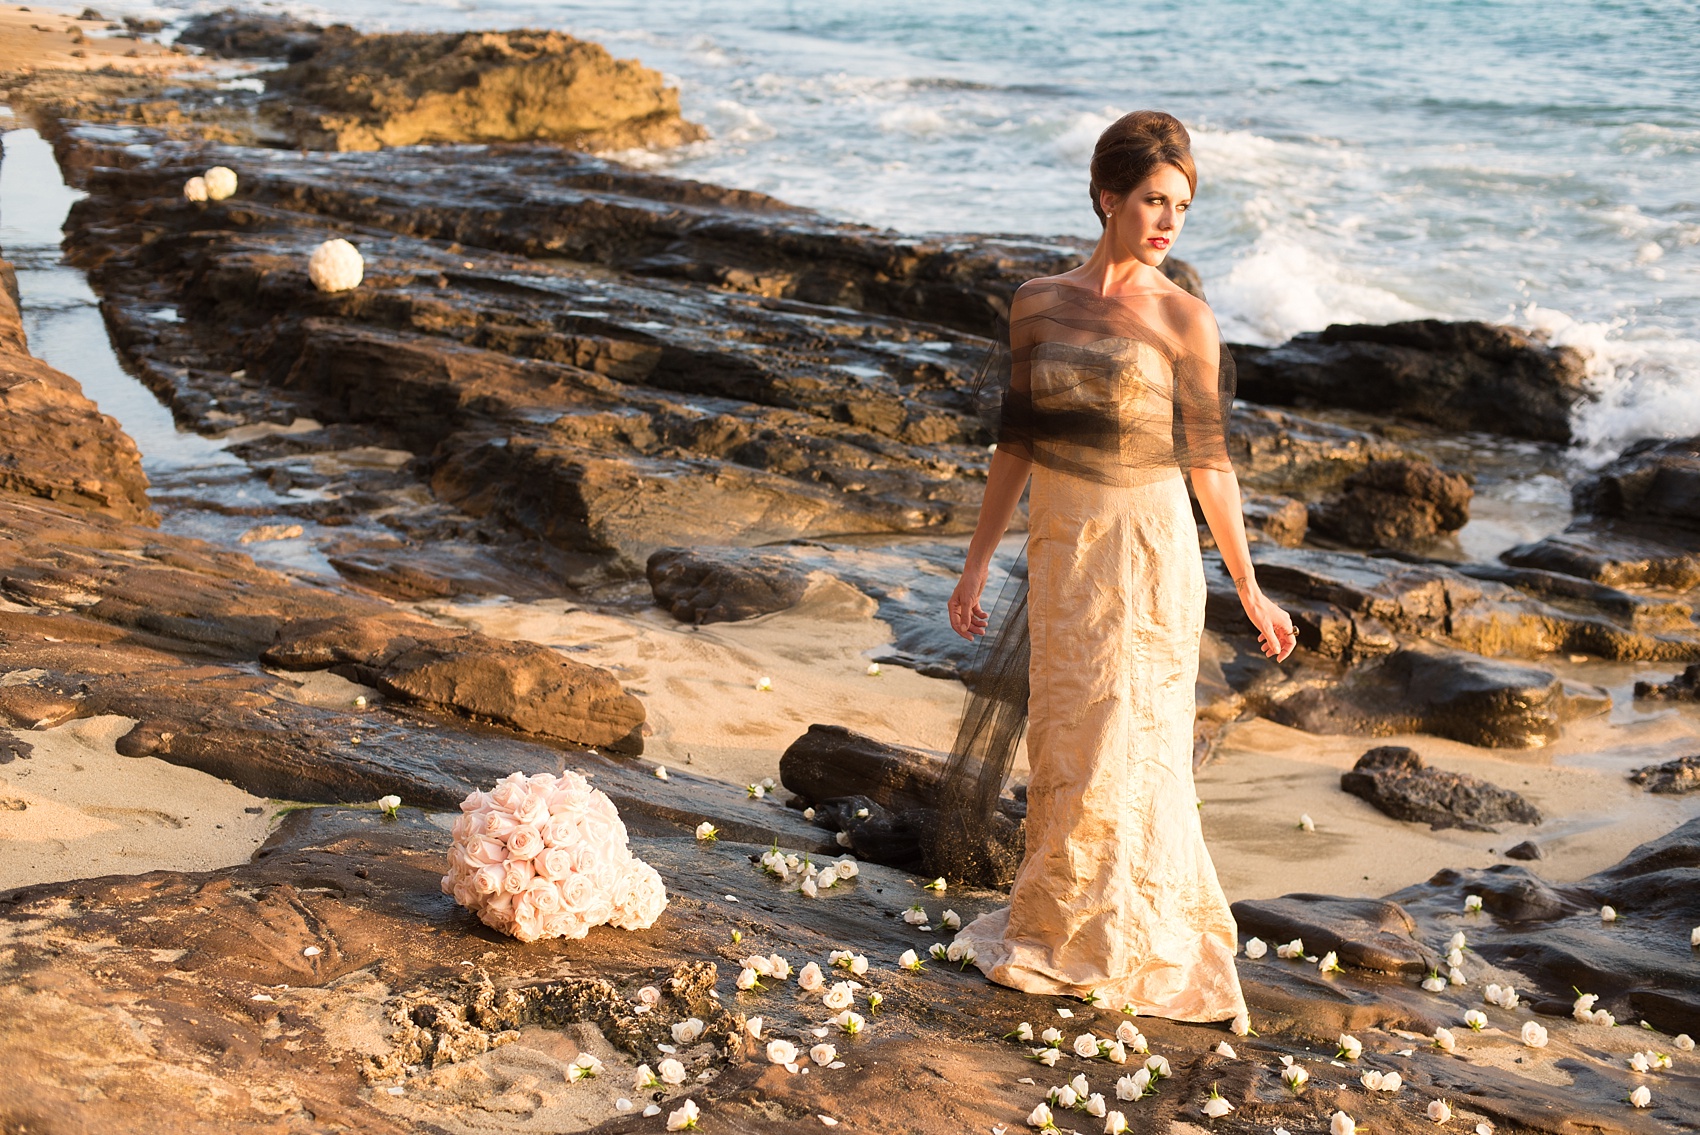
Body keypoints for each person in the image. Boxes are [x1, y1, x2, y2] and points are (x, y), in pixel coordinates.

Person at [937, 110, 1297, 1024]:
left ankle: (1131, 933)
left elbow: (1210, 461)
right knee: (1066, 740)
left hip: (1148, 552)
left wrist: (1248, 585)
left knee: (1130, 746)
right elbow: (1014, 443)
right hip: (1062, 553)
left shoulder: (1185, 317)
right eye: (1153, 199)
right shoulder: (1037, 301)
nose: (1170, 220)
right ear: (1108, 197)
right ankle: (1064, 923)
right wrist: (976, 564)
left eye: (1181, 204)